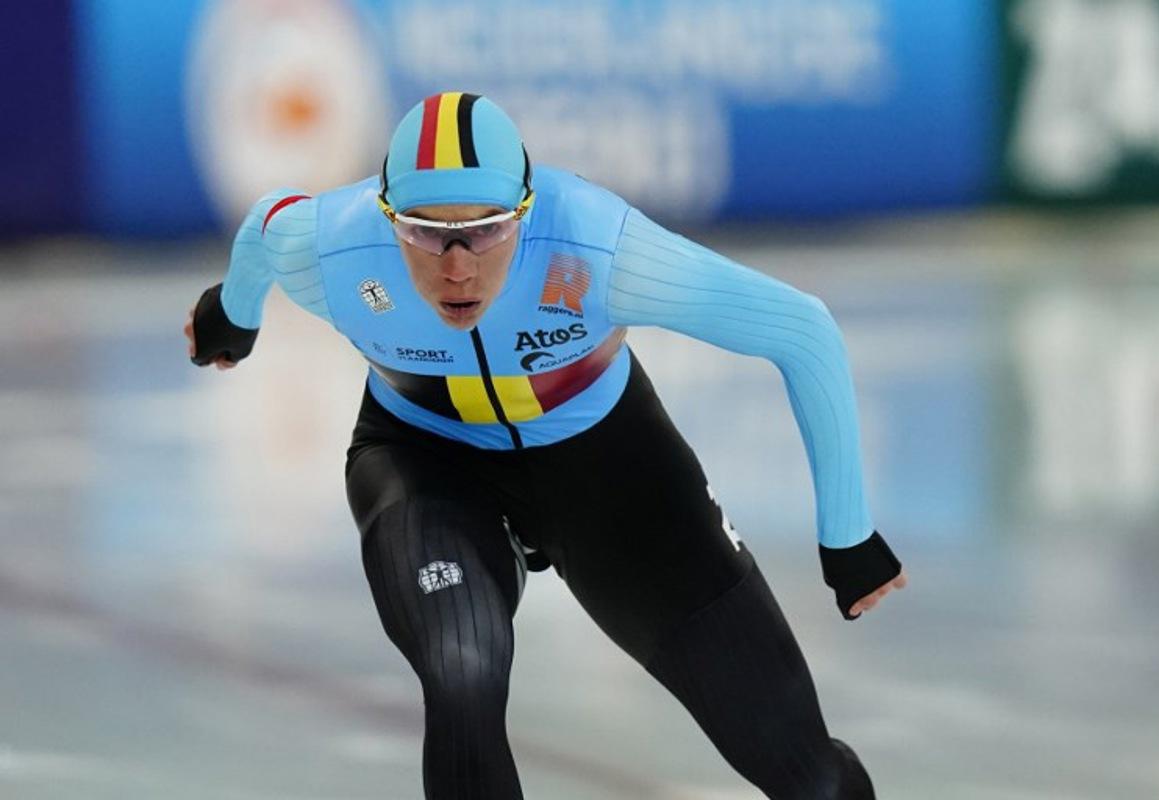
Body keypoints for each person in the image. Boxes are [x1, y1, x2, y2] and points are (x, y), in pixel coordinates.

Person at [185, 91, 907, 799]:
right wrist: (233, 313)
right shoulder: (336, 248)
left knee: (803, 772)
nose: (458, 266)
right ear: (385, 218)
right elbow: (268, 225)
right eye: (426, 233)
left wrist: (849, 536)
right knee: (462, 673)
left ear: (528, 213)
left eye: (488, 230)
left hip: (607, 465)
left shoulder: (599, 247)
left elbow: (801, 330)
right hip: (424, 457)